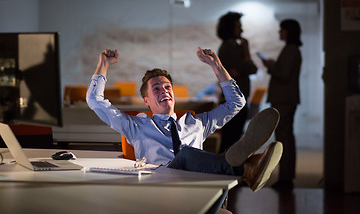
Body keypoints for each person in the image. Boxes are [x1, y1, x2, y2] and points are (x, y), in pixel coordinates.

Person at [86, 47, 282, 194]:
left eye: (167, 87)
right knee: (187, 155)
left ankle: (245, 165)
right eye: (156, 88)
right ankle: (246, 166)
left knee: (198, 163)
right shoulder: (135, 126)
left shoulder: (196, 123)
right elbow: (95, 100)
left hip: (199, 188)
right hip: (158, 187)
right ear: (146, 101)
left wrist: (217, 65)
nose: (164, 90)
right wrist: (103, 64)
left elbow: (236, 102)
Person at [260, 19, 302, 190]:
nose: (280, 33)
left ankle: (285, 179)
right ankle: (286, 177)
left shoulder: (291, 50)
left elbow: (284, 75)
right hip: (286, 99)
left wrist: (271, 67)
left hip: (284, 100)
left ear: (288, 32)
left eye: (282, 30)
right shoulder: (292, 50)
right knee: (286, 138)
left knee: (284, 139)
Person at [216, 12, 258, 153]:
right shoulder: (228, 48)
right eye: (238, 26)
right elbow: (248, 67)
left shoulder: (235, 47)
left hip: (239, 99)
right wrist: (246, 53)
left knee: (234, 139)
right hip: (232, 100)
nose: (242, 30)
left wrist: (244, 67)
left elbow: (252, 69)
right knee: (230, 141)